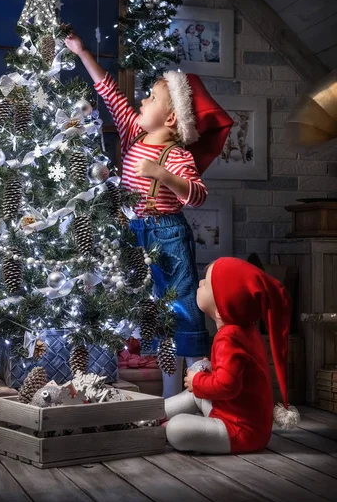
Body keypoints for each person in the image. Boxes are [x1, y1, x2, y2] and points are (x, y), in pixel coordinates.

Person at [65, 31, 233, 398]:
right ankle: (170, 399)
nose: (142, 99)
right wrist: (82, 53)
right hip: (134, 234)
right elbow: (108, 90)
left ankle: (201, 388)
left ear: (171, 117)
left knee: (184, 308)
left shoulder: (177, 156)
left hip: (168, 235)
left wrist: (164, 176)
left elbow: (198, 196)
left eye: (152, 97)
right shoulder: (131, 134)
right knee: (153, 314)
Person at [164, 257, 300, 453]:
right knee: (195, 394)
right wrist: (207, 371)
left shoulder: (229, 338)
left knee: (177, 428)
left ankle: (159, 422)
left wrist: (199, 381)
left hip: (239, 430)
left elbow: (227, 386)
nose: (200, 284)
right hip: (237, 416)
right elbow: (236, 374)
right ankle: (155, 413)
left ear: (220, 309)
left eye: (206, 284)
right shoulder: (243, 331)